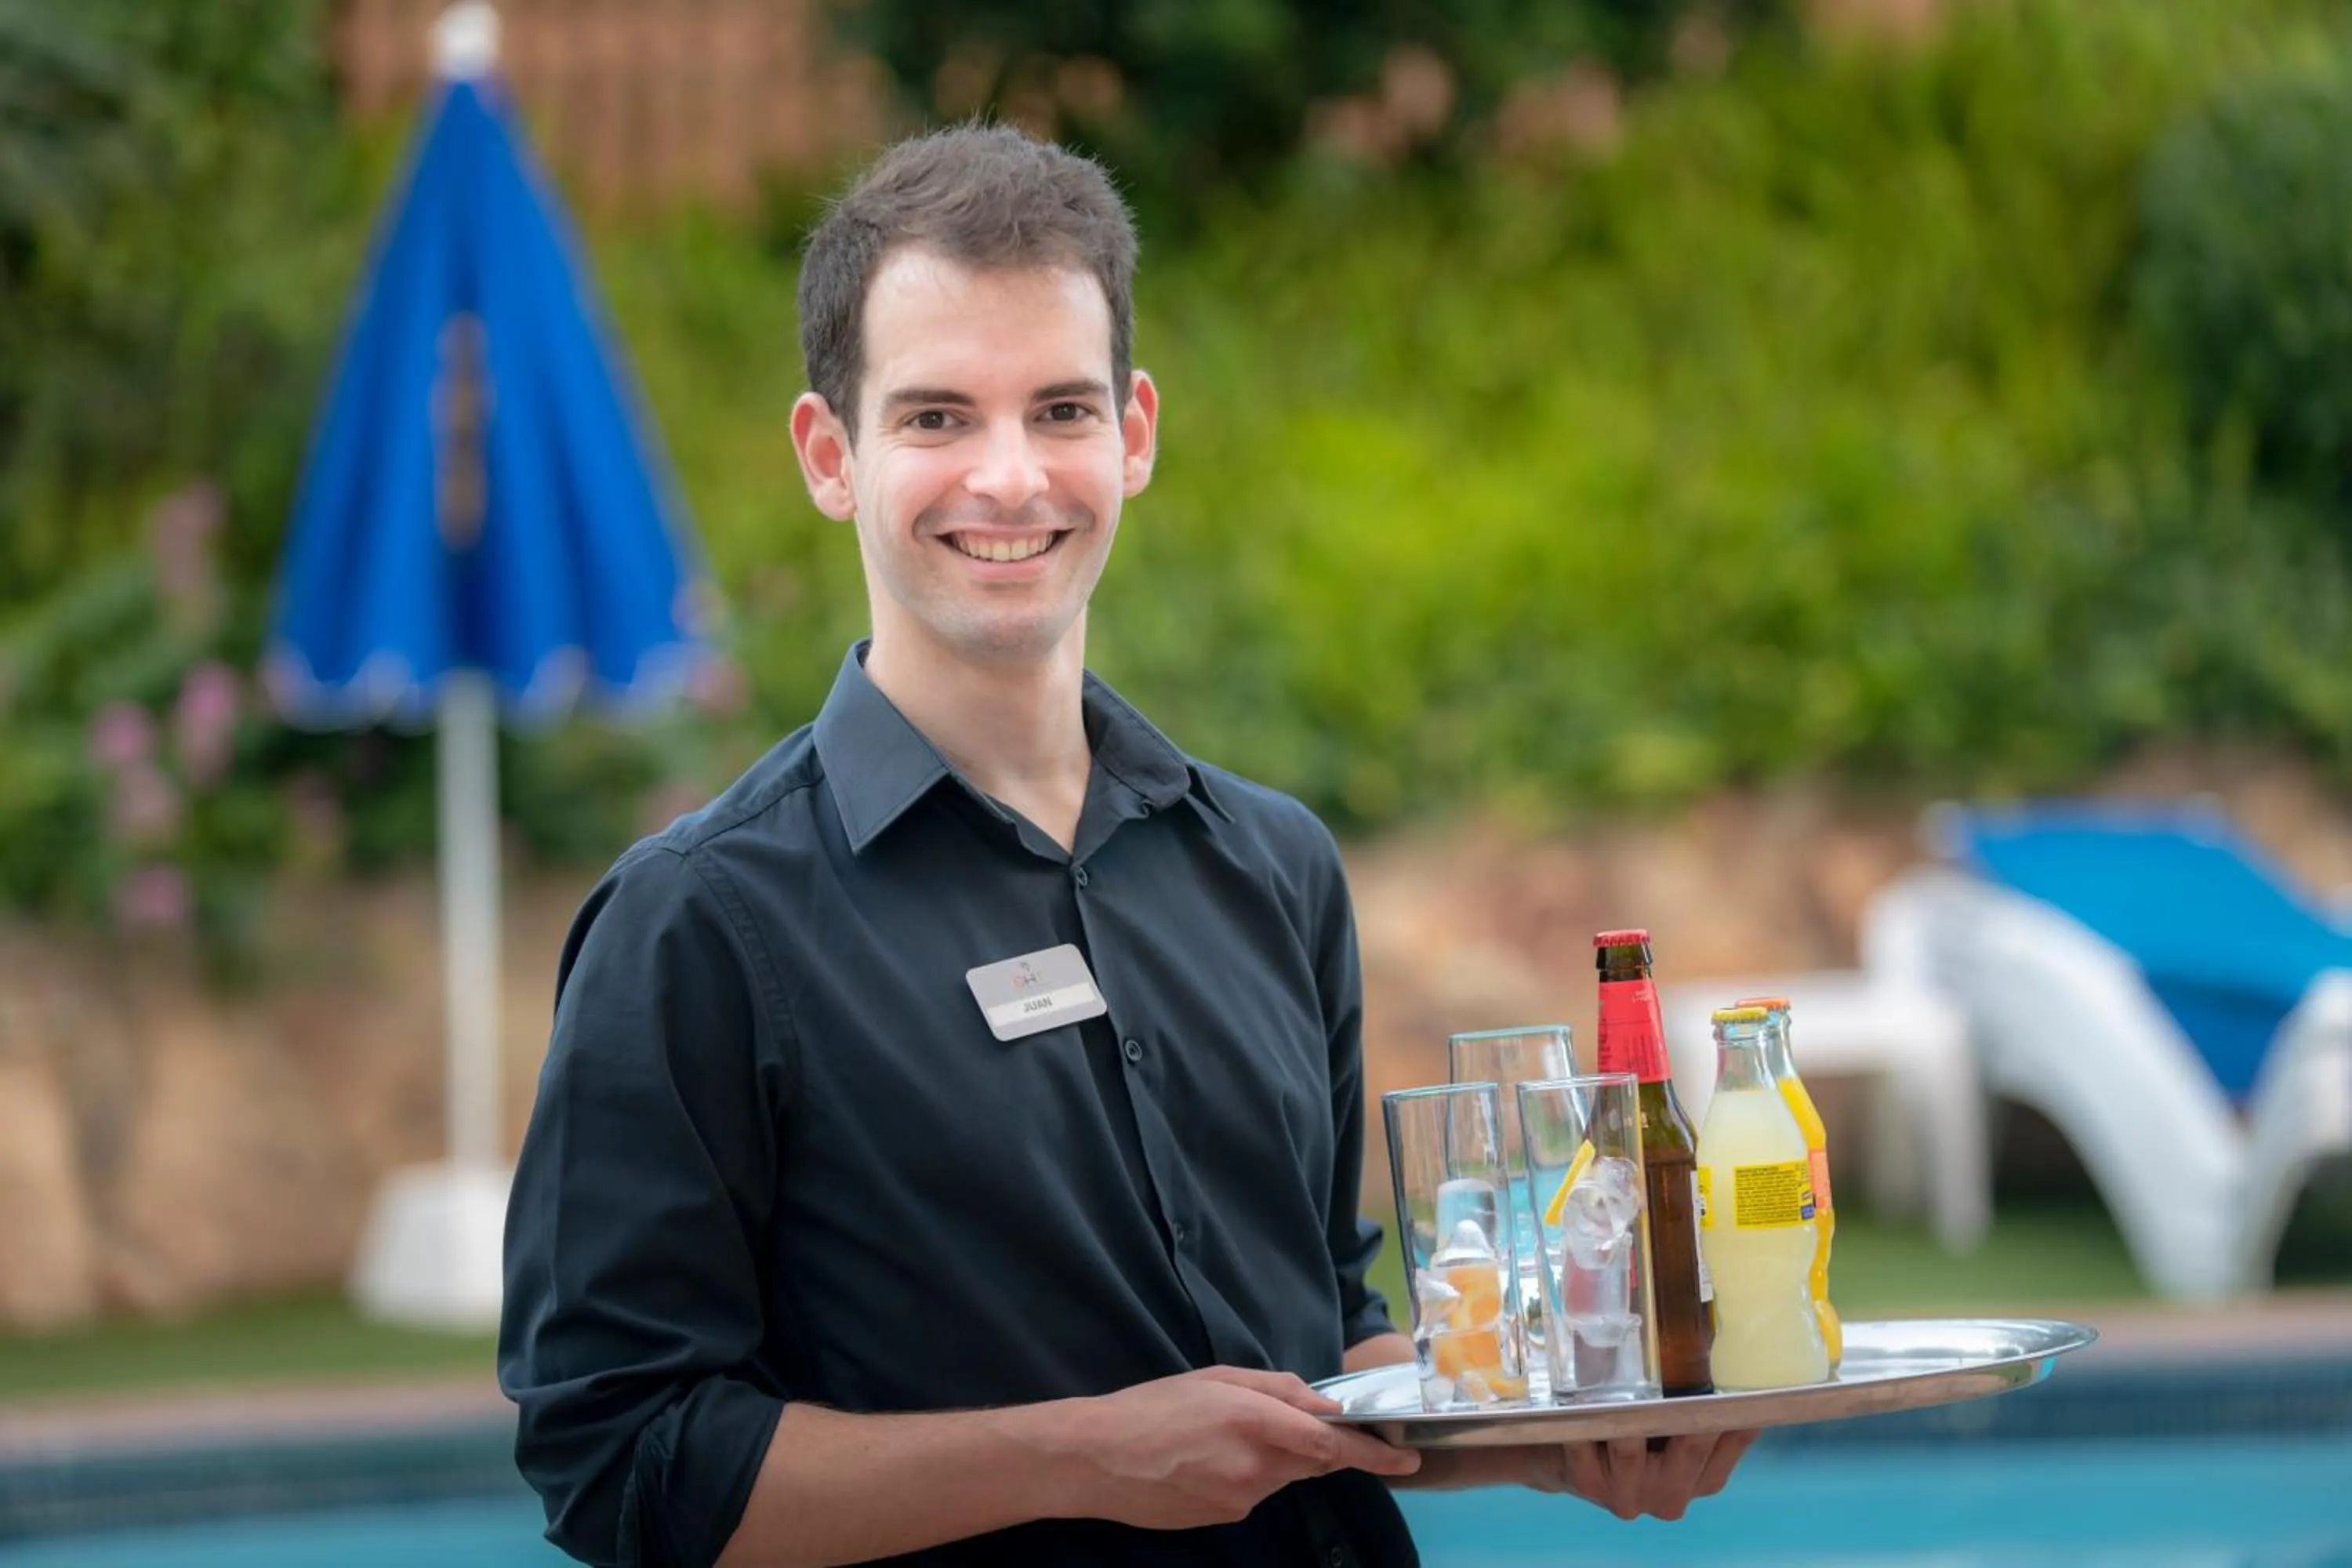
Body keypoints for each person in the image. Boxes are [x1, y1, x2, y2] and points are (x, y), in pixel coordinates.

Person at [499, 122, 1753, 1568]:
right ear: (828, 455)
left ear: (1135, 432)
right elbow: (620, 1459)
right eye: (935, 419)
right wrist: (1083, 1458)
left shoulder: (1275, 869)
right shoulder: (699, 928)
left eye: (1060, 410)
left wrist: (1550, 1439)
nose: (1012, 479)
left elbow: (1325, 1342)